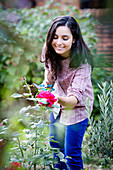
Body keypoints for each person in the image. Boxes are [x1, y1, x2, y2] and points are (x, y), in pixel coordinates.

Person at [41, 16, 94, 170]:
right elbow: (49, 78)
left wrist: (55, 98)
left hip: (77, 108)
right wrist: (44, 91)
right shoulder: (49, 51)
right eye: (55, 37)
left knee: (71, 154)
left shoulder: (83, 64)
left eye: (65, 38)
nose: (59, 42)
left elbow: (72, 100)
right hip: (58, 104)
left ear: (74, 39)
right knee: (56, 149)